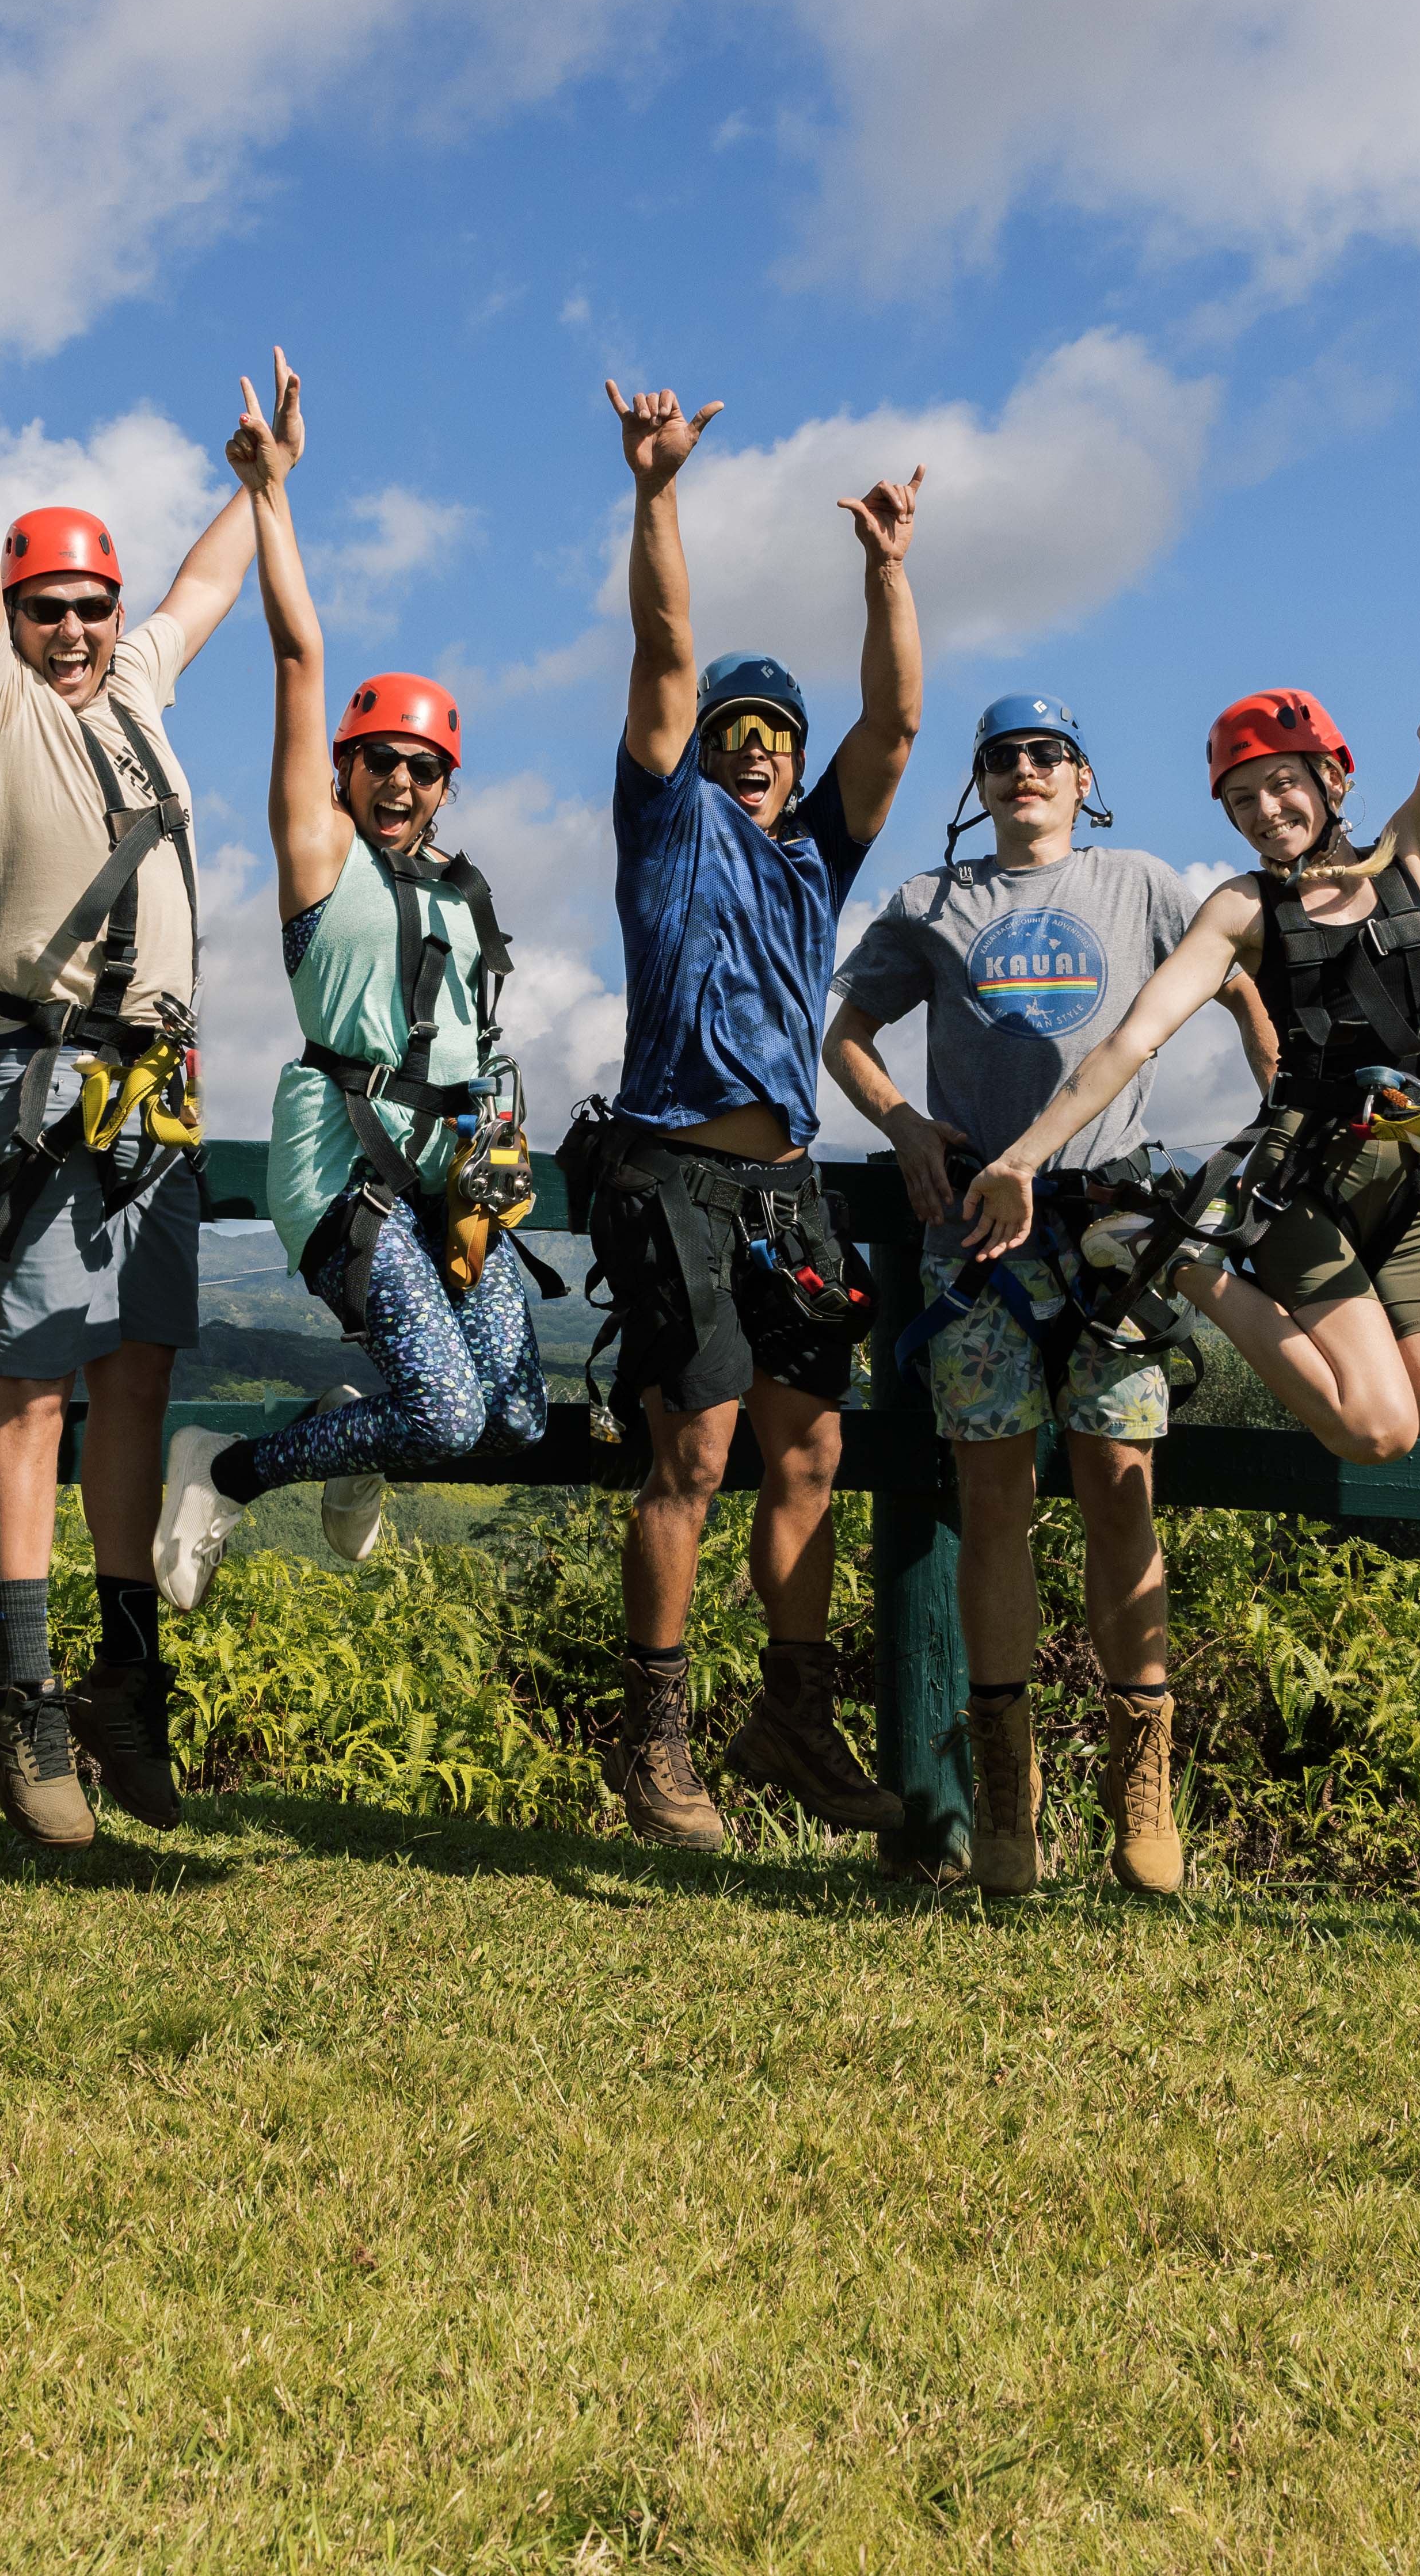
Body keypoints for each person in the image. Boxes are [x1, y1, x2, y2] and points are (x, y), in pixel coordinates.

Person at [0, 195, 265, 1849]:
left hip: (154, 1089)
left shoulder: (145, 692)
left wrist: (262, 484)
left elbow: (205, 583)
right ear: (16, 626)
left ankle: (120, 1673)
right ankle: (24, 1693)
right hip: (39, 1073)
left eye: (93, 608)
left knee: (136, 1379)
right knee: (30, 1379)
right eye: (54, 611)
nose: (82, 629)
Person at [960, 421, 1420, 1502]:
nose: (1267, 810)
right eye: (1243, 800)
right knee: (1376, 1433)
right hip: (1299, 1191)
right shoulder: (1241, 908)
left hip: (1414, 1193)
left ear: (1334, 779)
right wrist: (1023, 1157)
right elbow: (1133, 1038)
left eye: (1285, 784)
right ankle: (1182, 1255)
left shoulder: (1417, 852)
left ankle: (1200, 1253)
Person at [825, 693, 1275, 1899]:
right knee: (991, 1493)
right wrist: (905, 1124)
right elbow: (847, 1034)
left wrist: (1282, 1103)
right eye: (1002, 757)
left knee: (1121, 1485)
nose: (1025, 769)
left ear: (1083, 780)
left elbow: (1234, 984)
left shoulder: (1140, 883)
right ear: (979, 784)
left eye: (1047, 753)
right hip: (977, 1229)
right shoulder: (931, 901)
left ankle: (1145, 1786)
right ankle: (1009, 1799)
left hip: (1111, 1224)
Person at [583, 381, 923, 1854]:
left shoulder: (813, 866)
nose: (756, 745)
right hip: (671, 1167)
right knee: (694, 1456)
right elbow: (663, 652)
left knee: (809, 1456)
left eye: (774, 731)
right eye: (734, 728)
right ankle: (652, 1743)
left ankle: (789, 1714)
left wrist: (887, 571)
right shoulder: (664, 826)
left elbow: (897, 722)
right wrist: (657, 492)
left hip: (791, 1189)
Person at [148, 364, 550, 1584]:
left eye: (421, 767)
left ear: (447, 783)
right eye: (375, 760)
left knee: (520, 1417)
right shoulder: (319, 855)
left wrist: (500, 1136)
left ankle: (345, 1424)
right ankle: (225, 1470)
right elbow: (295, 655)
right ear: (343, 769)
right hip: (346, 1181)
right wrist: (273, 494)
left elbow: (476, 1039)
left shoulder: (466, 892)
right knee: (444, 1414)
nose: (396, 782)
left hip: (454, 1187)